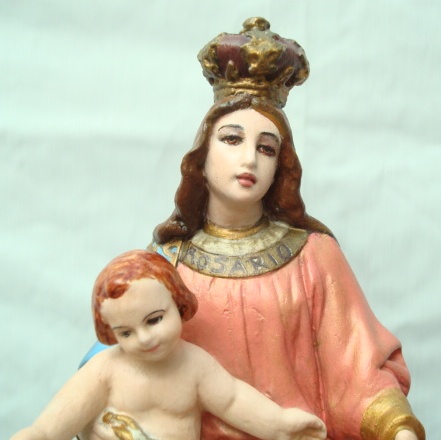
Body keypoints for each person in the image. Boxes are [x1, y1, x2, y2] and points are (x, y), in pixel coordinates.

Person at [148, 18, 425, 440]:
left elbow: (357, 374)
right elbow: (119, 365)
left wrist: (397, 428)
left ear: (281, 166)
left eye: (266, 148)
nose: (250, 159)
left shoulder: (313, 256)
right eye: (232, 139)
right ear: (201, 156)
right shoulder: (167, 264)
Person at [11, 250, 327, 440]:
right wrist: (35, 435)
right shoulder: (104, 371)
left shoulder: (195, 366)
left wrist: (279, 425)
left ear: (178, 302)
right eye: (126, 333)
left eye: (154, 320)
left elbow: (232, 399)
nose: (144, 338)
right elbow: (54, 424)